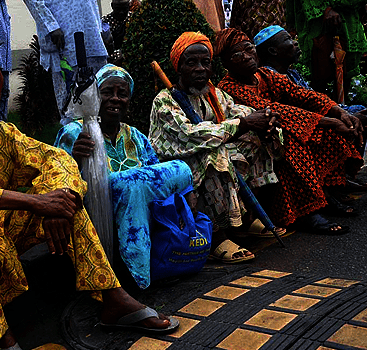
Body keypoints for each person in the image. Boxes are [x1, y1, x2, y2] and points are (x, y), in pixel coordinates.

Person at [0, 57, 180, 349]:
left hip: (4, 232)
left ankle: (113, 299)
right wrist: (36, 203)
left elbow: (56, 157)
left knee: (65, 203)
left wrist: (56, 199)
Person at [149, 32, 285, 264]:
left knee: (255, 139)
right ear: (178, 68)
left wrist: (264, 123)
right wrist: (244, 124)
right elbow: (192, 136)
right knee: (215, 153)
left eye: (205, 62)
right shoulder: (165, 101)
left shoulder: (213, 94)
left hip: (205, 153)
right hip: (176, 166)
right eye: (191, 63)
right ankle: (215, 236)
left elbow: (240, 114)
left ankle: (246, 219)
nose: (200, 69)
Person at [54, 64, 193, 288]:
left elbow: (155, 177)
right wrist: (76, 159)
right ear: (94, 96)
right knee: (130, 184)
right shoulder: (75, 132)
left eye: (122, 94)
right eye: (107, 92)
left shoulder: (135, 135)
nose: (115, 99)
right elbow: (58, 179)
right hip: (95, 213)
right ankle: (134, 275)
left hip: (144, 214)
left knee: (180, 169)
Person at [215, 28, 364, 234]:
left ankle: (324, 195)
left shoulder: (264, 74)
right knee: (291, 142)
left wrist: (337, 111)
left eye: (249, 49)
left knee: (329, 132)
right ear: (226, 64)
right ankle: (304, 213)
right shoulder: (229, 87)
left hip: (280, 127)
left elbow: (300, 94)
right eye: (238, 55)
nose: (248, 57)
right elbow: (274, 111)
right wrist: (328, 121)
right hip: (252, 136)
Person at [23, 0, 108, 124]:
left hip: (92, 36)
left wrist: (100, 28)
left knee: (101, 99)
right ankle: (71, 139)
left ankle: (103, 140)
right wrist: (51, 26)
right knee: (71, 104)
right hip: (66, 39)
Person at [254, 25, 366, 114]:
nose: (295, 42)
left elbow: (314, 98)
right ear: (273, 51)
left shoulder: (292, 73)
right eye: (288, 39)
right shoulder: (269, 78)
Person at [287, 0, 367, 100]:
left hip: (351, 18)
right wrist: (326, 9)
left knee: (345, 72)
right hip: (324, 21)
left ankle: (342, 109)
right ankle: (319, 110)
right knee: (321, 71)